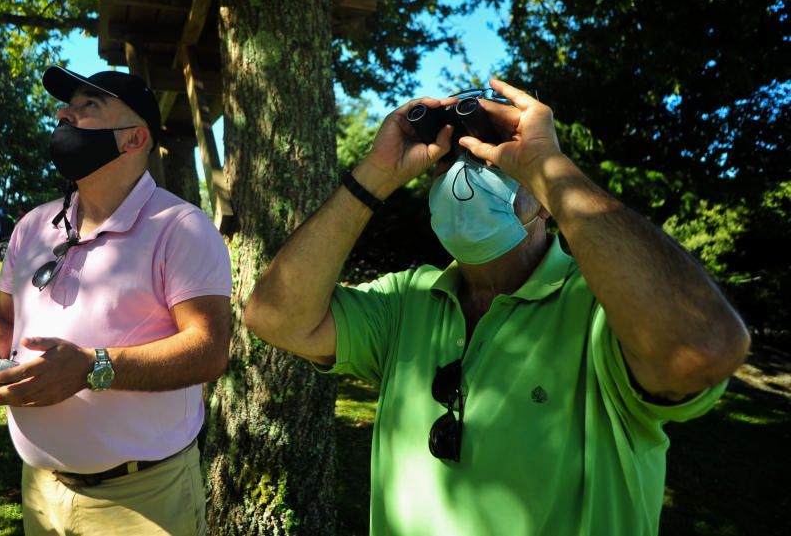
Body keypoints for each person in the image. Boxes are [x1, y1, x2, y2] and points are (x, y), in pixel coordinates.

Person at [244, 79, 750, 536]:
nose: (465, 170)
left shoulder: (601, 313)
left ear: (546, 196)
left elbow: (702, 345)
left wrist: (548, 167)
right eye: (449, 160)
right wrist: (374, 175)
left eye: (490, 157)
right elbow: (274, 317)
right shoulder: (408, 300)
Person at [0, 66, 232, 536]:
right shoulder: (33, 225)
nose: (63, 113)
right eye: (68, 104)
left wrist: (92, 368)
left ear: (133, 139)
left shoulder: (182, 228)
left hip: (143, 503)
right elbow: (3, 315)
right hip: (39, 488)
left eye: (88, 106)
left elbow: (209, 349)